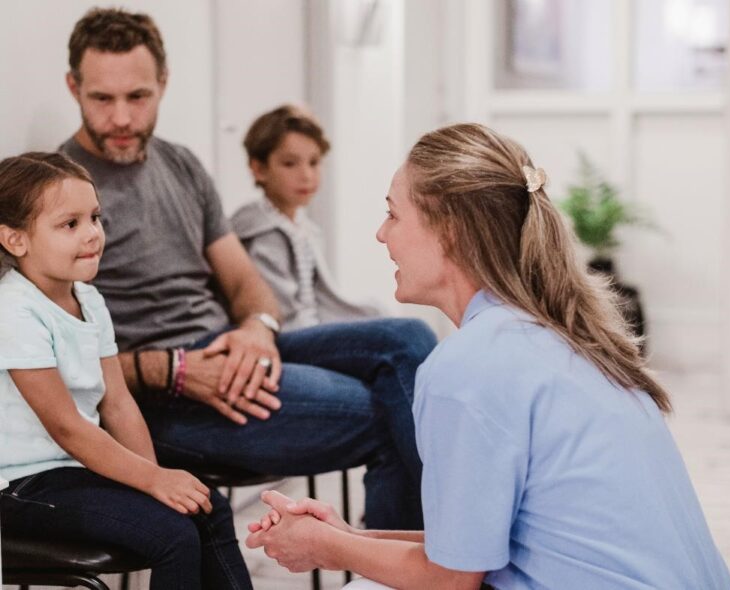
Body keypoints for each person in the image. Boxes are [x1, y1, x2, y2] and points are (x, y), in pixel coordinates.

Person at [245, 123, 730, 590]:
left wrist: (326, 549)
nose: (381, 234)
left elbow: (449, 580)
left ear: (450, 230)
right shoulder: (554, 338)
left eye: (393, 214)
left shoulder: (467, 368)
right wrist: (347, 538)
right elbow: (476, 552)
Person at [59, 6, 435, 536]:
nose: (121, 118)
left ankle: (431, 559)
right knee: (392, 415)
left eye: (137, 97)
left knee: (408, 336)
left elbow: (242, 282)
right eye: (102, 98)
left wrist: (258, 328)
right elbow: (60, 361)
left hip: (229, 348)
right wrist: (176, 370)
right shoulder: (59, 194)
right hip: (158, 399)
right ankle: (428, 564)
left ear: (163, 85)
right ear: (73, 87)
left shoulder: (181, 164)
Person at [0, 152, 251, 590]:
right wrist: (153, 481)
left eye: (94, 218)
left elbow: (117, 402)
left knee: (206, 508)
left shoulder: (89, 299)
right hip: (21, 485)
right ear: (15, 239)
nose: (93, 234)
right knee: (172, 534)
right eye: (70, 224)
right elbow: (66, 426)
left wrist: (157, 485)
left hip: (73, 471)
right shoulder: (14, 310)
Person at [232, 104, 380, 331]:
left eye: (314, 162)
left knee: (379, 313)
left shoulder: (305, 229)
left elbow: (321, 302)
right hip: (290, 337)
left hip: (312, 329)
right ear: (259, 169)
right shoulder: (263, 235)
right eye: (290, 164)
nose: (307, 175)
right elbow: (284, 317)